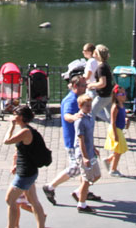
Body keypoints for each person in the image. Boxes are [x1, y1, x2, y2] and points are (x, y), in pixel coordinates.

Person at [42, 76, 101, 206]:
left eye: (85, 85)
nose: (85, 87)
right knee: (76, 168)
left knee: (83, 169)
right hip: (74, 142)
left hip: (83, 140)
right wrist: (74, 117)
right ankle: (51, 187)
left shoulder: (79, 99)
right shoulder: (71, 100)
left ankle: (83, 191)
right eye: (83, 85)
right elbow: (66, 115)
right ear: (75, 86)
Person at [3, 105, 48, 228]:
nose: (12, 117)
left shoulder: (25, 132)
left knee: (10, 200)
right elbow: (20, 151)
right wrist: (15, 163)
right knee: (33, 201)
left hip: (25, 174)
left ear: (21, 117)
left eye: (15, 115)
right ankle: (41, 225)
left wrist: (11, 126)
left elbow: (6, 141)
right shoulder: (27, 130)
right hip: (29, 171)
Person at [74, 93, 101, 214]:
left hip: (90, 151)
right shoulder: (80, 121)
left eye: (90, 106)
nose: (89, 108)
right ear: (80, 106)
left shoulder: (90, 117)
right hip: (83, 154)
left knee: (97, 175)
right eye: (86, 106)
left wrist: (94, 147)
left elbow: (89, 137)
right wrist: (85, 157)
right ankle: (82, 204)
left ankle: (79, 192)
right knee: (86, 179)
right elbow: (81, 140)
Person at [103, 85, 128, 176]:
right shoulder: (115, 107)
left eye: (125, 93)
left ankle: (109, 160)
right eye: (122, 94)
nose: (124, 95)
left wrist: (126, 120)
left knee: (119, 150)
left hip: (119, 129)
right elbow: (113, 121)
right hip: (115, 129)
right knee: (119, 150)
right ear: (116, 95)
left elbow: (121, 117)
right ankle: (113, 169)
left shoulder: (122, 105)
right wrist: (115, 135)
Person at [87, 45, 113, 123]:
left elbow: (102, 83)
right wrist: (94, 83)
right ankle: (116, 132)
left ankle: (88, 133)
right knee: (111, 117)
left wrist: (91, 85)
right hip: (108, 94)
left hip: (102, 95)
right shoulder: (105, 65)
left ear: (97, 54)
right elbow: (105, 81)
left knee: (91, 112)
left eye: (94, 52)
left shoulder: (101, 67)